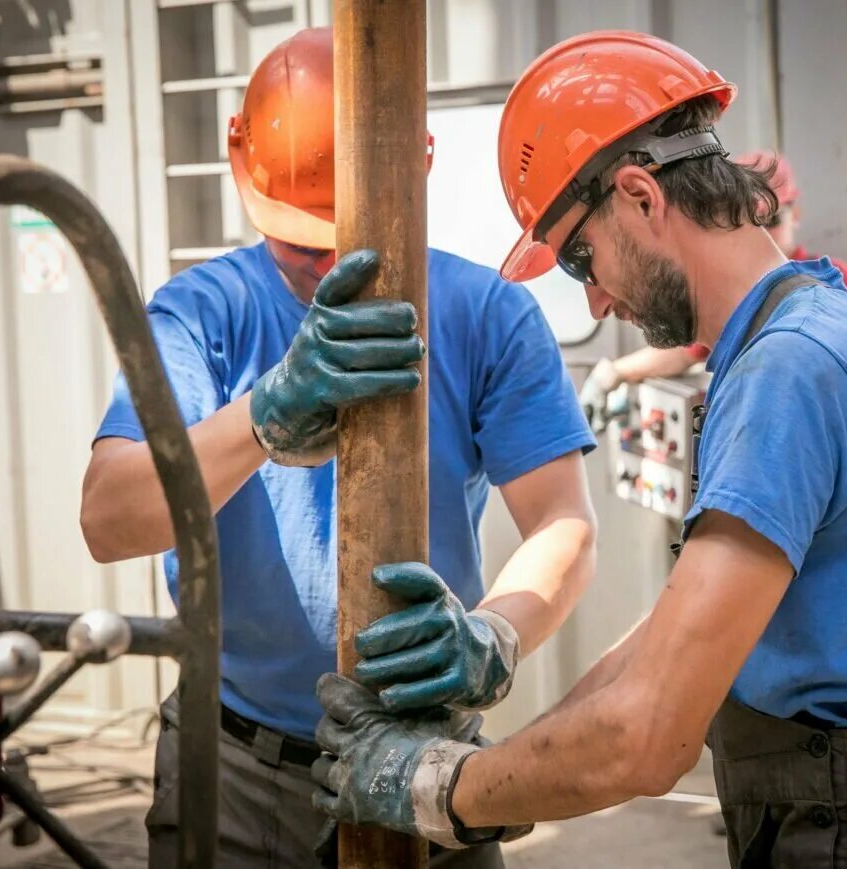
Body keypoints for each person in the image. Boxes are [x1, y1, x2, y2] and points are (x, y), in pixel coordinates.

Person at [307, 31, 847, 867]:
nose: (595, 300)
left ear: (640, 195)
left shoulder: (789, 373)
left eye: (578, 258)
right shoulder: (821, 322)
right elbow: (674, 635)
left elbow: (648, 734)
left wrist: (436, 788)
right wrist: (499, 686)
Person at [80, 27, 598, 869]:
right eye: (298, 238)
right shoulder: (201, 316)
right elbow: (108, 520)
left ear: (417, 168)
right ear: (240, 165)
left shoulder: (487, 315)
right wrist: (264, 416)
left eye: (340, 232)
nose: (327, 265)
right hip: (238, 769)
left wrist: (494, 635)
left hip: (427, 760)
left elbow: (564, 526)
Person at [578, 150, 847, 433]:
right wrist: (613, 373)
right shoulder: (734, 301)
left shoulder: (838, 281)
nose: (764, 232)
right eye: (755, 220)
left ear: (796, 214)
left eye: (771, 219)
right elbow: (683, 354)